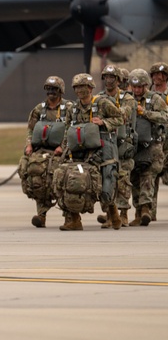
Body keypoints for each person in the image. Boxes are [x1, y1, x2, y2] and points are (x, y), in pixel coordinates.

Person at [54, 73, 123, 231]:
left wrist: (103, 122)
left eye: (82, 87)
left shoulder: (103, 103)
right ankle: (73, 219)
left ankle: (113, 212)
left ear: (90, 88)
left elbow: (120, 118)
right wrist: (63, 147)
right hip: (80, 149)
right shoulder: (73, 108)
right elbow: (67, 129)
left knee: (107, 184)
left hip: (103, 148)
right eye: (77, 87)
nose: (79, 90)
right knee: (70, 180)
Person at [19, 76, 73, 227]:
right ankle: (41, 215)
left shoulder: (69, 108)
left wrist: (63, 146)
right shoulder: (39, 109)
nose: (51, 92)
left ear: (60, 91)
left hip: (61, 152)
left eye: (54, 89)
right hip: (41, 150)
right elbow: (31, 129)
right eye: (48, 89)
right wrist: (29, 145)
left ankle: (69, 217)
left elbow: (71, 129)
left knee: (61, 181)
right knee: (36, 176)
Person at [95, 65, 136, 229]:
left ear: (119, 80)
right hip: (105, 145)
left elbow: (123, 115)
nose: (109, 80)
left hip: (123, 144)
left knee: (123, 178)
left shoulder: (128, 98)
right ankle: (110, 215)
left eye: (112, 77)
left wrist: (104, 121)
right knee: (107, 178)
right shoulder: (98, 98)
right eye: (106, 77)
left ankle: (124, 213)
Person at [126, 69, 168, 226]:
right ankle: (138, 213)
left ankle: (145, 209)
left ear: (146, 85)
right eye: (134, 87)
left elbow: (165, 116)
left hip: (152, 146)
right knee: (135, 178)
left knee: (147, 176)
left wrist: (145, 113)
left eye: (140, 87)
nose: (137, 90)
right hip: (134, 146)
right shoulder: (127, 99)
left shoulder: (155, 99)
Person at [150, 62, 168, 220]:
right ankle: (150, 212)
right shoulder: (147, 95)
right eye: (154, 74)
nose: (157, 77)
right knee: (152, 174)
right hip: (154, 141)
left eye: (160, 74)